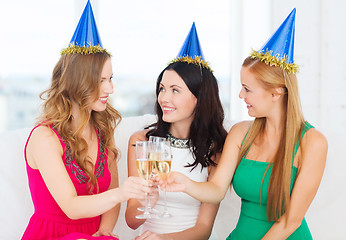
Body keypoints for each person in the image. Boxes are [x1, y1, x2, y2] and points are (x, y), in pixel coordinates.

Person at [162, 9, 328, 239]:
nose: (241, 95)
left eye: (247, 89)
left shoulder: (312, 142)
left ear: (276, 92)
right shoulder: (241, 133)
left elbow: (291, 221)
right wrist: (185, 184)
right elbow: (217, 189)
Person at [22, 1, 149, 239]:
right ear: (76, 82)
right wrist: (124, 193)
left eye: (111, 78)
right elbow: (71, 207)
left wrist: (104, 231)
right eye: (101, 80)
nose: (110, 88)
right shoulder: (45, 138)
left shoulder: (101, 130)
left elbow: (111, 192)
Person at [125, 22, 228, 240]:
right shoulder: (141, 142)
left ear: (199, 98)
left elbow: (203, 229)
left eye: (175, 90)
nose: (164, 98)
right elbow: (132, 221)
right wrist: (147, 200)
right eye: (162, 88)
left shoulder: (215, 149)